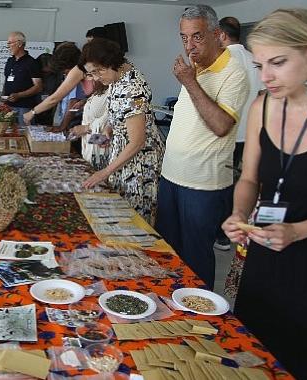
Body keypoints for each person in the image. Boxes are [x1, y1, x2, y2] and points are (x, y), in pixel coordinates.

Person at [222, 8, 307, 379]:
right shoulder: (262, 106)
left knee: (301, 363)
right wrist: (239, 213)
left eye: (278, 63)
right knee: (252, 357)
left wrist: (298, 230)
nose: (265, 77)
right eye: (259, 66)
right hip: (263, 257)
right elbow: (249, 179)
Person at [154, 4, 249, 289]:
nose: (189, 45)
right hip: (171, 176)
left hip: (203, 184)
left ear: (217, 34)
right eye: (184, 37)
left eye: (197, 36)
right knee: (168, 255)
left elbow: (221, 125)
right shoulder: (194, 68)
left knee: (195, 261)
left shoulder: (234, 72)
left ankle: (201, 323)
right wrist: (191, 79)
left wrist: (190, 83)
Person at [80, 38, 164, 225]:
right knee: (120, 214)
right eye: (91, 73)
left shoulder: (132, 89)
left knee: (134, 220)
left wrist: (104, 173)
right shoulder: (118, 76)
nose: (95, 78)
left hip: (140, 162)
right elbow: (119, 110)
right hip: (124, 155)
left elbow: (137, 142)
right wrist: (111, 129)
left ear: (112, 63)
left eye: (98, 71)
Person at [213, 16, 265, 251]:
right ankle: (232, 230)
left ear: (222, 35)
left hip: (226, 132)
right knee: (239, 182)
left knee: (220, 184)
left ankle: (220, 233)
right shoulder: (254, 58)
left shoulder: (224, 59)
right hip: (249, 134)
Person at [2, 31, 42, 125]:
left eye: (10, 43)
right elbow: (7, 80)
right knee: (9, 133)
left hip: (25, 107)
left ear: (19, 44)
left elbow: (38, 87)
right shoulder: (10, 60)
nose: (8, 46)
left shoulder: (31, 62)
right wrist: (4, 95)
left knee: (24, 133)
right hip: (8, 106)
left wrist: (19, 95)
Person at [69, 80, 109, 169]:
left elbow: (108, 135)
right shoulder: (95, 94)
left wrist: (85, 129)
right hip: (90, 150)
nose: (82, 84)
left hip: (101, 153)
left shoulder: (111, 95)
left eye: (90, 75)